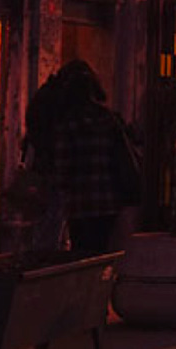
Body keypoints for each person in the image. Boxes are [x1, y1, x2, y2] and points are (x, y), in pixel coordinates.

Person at [34, 60, 139, 254]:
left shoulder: (68, 125)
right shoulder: (108, 120)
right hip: (108, 202)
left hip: (80, 205)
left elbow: (62, 171)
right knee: (103, 250)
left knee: (82, 251)